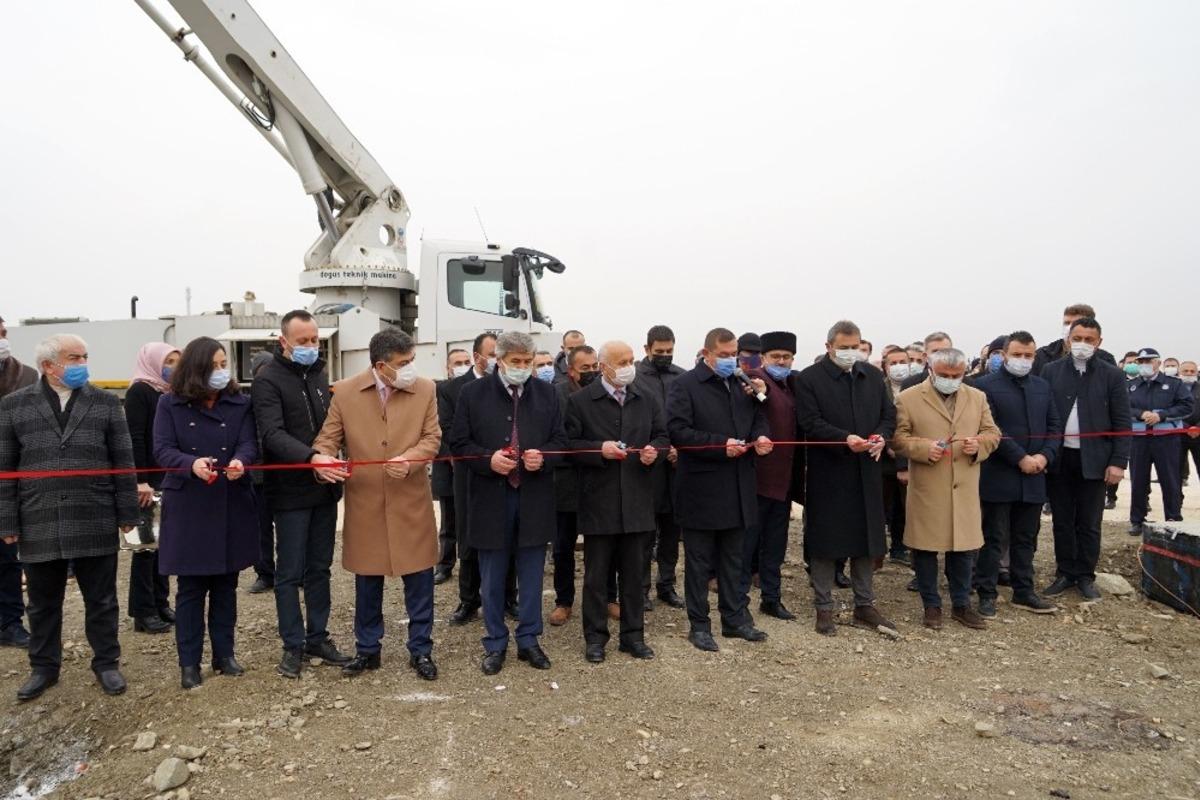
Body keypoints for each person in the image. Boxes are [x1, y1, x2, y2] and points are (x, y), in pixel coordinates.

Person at [0, 334, 139, 701]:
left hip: (93, 513)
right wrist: (7, 522)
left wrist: (127, 513)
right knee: (43, 601)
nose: (82, 363)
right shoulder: (15, 406)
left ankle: (107, 663)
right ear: (49, 366)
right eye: (73, 357)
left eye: (84, 356)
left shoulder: (106, 404)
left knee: (102, 598)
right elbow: (5, 467)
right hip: (38, 516)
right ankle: (44, 667)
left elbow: (123, 463)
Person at [310, 329, 442, 680]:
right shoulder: (346, 393)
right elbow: (326, 441)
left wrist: (412, 459)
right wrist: (322, 463)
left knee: (420, 580)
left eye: (412, 361)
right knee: (367, 582)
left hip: (411, 500)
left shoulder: (426, 389)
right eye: (403, 363)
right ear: (381, 366)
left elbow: (432, 438)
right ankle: (368, 650)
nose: (411, 368)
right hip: (365, 503)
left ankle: (421, 650)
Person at [450, 331, 568, 675]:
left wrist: (543, 457)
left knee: (532, 574)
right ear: (498, 360)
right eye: (515, 362)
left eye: (526, 362)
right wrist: (488, 460)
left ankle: (529, 640)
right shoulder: (472, 393)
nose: (521, 368)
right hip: (490, 496)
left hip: (533, 496)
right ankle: (495, 642)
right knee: (493, 575)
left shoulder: (547, 393)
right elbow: (458, 442)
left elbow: (561, 441)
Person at [153, 337, 258, 689]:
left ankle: (224, 654)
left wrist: (242, 461)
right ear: (197, 368)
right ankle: (189, 663)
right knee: (191, 589)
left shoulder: (238, 402)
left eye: (224, 363)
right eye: (214, 365)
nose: (221, 371)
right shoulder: (170, 404)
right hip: (189, 505)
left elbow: (248, 442)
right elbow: (162, 450)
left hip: (230, 498)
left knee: (227, 584)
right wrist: (191, 463)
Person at [250, 310, 350, 678]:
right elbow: (272, 435)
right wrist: (312, 458)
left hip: (325, 491)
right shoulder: (268, 381)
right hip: (290, 493)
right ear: (284, 342)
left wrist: (334, 461)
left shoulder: (320, 376)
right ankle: (293, 645)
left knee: (320, 569)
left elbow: (333, 425)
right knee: (289, 573)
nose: (310, 346)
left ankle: (318, 636)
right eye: (303, 341)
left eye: (315, 340)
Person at [666, 327, 773, 652]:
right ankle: (699, 625)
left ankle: (735, 619)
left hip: (739, 486)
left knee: (734, 560)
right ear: (707, 353)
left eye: (733, 355)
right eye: (724, 355)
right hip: (701, 488)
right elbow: (678, 431)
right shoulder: (684, 385)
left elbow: (759, 417)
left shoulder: (743, 384)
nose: (730, 360)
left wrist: (761, 438)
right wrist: (719, 445)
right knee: (699, 563)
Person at [566, 340, 668, 662]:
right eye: (621, 361)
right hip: (599, 502)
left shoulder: (646, 398)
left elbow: (662, 437)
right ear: (604, 367)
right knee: (596, 577)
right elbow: (569, 445)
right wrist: (599, 449)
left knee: (635, 575)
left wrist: (656, 452)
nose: (628, 366)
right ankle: (595, 639)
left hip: (637, 500)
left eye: (631, 360)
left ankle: (633, 636)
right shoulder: (580, 401)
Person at [795, 320, 897, 636]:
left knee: (867, 538)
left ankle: (864, 604)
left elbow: (888, 416)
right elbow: (809, 422)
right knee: (826, 539)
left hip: (867, 468)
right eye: (844, 347)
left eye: (855, 347)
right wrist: (844, 438)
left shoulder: (873, 376)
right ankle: (823, 606)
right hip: (829, 470)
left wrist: (881, 436)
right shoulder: (810, 379)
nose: (850, 353)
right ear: (829, 347)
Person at [892, 347, 1000, 630]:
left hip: (964, 485)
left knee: (963, 549)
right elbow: (899, 439)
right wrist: (923, 448)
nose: (950, 380)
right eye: (944, 375)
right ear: (930, 368)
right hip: (929, 485)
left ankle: (961, 605)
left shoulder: (977, 397)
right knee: (925, 549)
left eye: (956, 375)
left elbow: (992, 433)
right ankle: (932, 606)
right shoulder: (908, 398)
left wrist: (980, 445)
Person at [1042, 318, 1131, 599]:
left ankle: (1085, 575)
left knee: (1090, 522)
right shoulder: (1051, 370)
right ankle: (1065, 572)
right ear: (1068, 339)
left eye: (1089, 339)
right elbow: (1043, 414)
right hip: (1060, 458)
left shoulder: (1111, 375)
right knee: (1062, 520)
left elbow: (1122, 421)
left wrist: (1118, 461)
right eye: (1077, 337)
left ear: (1099, 342)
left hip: (1096, 460)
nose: (1082, 344)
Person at [975, 332, 1062, 616]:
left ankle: (1023, 591)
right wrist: (1020, 457)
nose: (1023, 360)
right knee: (994, 537)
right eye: (1017, 355)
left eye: (1028, 356)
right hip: (999, 474)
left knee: (1026, 537)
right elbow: (992, 429)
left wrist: (1043, 456)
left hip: (1035, 475)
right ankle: (986, 592)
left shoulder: (1042, 386)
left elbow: (1054, 427)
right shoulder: (984, 387)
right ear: (1004, 355)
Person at [439, 333, 516, 625]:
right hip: (470, 473)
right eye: (494, 354)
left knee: (509, 534)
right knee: (469, 537)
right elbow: (449, 433)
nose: (499, 360)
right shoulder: (453, 390)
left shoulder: (512, 388)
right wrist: (483, 457)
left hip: (507, 471)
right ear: (478, 357)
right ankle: (469, 600)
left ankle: (509, 597)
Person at [737, 331, 802, 621]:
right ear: (763, 357)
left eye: (786, 357)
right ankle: (737, 602)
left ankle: (771, 599)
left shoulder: (794, 384)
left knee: (776, 544)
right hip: (757, 478)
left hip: (785, 479)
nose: (781, 361)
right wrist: (755, 387)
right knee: (747, 543)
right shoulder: (752, 378)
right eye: (775, 356)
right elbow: (750, 396)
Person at [124, 342, 181, 635]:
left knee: (162, 547)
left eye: (176, 360)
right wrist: (140, 480)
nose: (173, 366)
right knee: (144, 547)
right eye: (168, 360)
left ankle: (161, 602)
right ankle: (143, 611)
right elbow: (135, 436)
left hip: (167, 478)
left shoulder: (168, 393)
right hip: (147, 481)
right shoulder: (140, 391)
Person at [549, 345, 602, 626]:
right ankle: (564, 600)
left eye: (595, 367)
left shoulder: (602, 394)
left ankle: (605, 597)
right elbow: (559, 438)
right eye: (586, 369)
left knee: (601, 547)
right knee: (562, 547)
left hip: (597, 480)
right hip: (566, 482)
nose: (592, 372)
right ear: (571, 371)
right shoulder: (557, 395)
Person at [634, 325, 686, 609]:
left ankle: (667, 584)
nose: (665, 356)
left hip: (678, 466)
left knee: (671, 531)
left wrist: (681, 449)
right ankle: (640, 588)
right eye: (659, 352)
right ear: (647, 349)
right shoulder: (636, 378)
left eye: (669, 351)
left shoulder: (681, 376)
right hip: (648, 466)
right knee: (645, 533)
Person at [1127, 347, 1193, 535]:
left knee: (1170, 480)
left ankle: (1173, 518)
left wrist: (1161, 416)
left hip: (1166, 439)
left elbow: (1186, 406)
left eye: (1148, 361)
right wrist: (1141, 414)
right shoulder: (1131, 385)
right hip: (1139, 439)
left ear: (1158, 362)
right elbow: (1123, 407)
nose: (1144, 365)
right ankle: (1137, 520)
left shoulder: (1174, 384)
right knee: (1138, 480)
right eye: (1141, 362)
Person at [0, 316, 37, 649]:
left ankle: (9, 621)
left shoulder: (26, 376)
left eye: (1, 333)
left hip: (12, 476)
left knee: (7, 554)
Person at [432, 349, 472, 585]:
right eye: (458, 362)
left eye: (467, 362)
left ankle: (469, 565)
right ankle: (445, 565)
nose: (463, 366)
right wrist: (450, 456)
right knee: (448, 521)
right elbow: (440, 427)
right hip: (448, 464)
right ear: (447, 367)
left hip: (471, 463)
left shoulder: (478, 389)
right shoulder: (441, 390)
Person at [247, 351, 277, 594]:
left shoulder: (282, 398)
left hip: (284, 476)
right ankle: (265, 573)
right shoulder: (247, 404)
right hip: (256, 477)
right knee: (260, 528)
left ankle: (293, 572)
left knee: (289, 529)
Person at [881, 346, 912, 564]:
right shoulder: (878, 388)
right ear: (885, 366)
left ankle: (900, 547)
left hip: (911, 456)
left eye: (904, 361)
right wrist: (887, 445)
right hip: (882, 455)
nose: (899, 367)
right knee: (882, 505)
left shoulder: (918, 388)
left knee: (906, 507)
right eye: (893, 363)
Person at [1031, 304, 1118, 375]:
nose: (1070, 327)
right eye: (1067, 323)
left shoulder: (1106, 359)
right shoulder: (1042, 355)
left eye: (1076, 323)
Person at [1181, 361, 1200, 486]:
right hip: (1178, 435)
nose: (1189, 373)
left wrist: (1197, 427)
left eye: (1192, 371)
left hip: (1199, 436)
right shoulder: (1172, 389)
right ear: (1179, 372)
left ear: (1197, 373)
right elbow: (1168, 410)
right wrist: (1186, 428)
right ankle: (1177, 503)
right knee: (1176, 472)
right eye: (1185, 371)